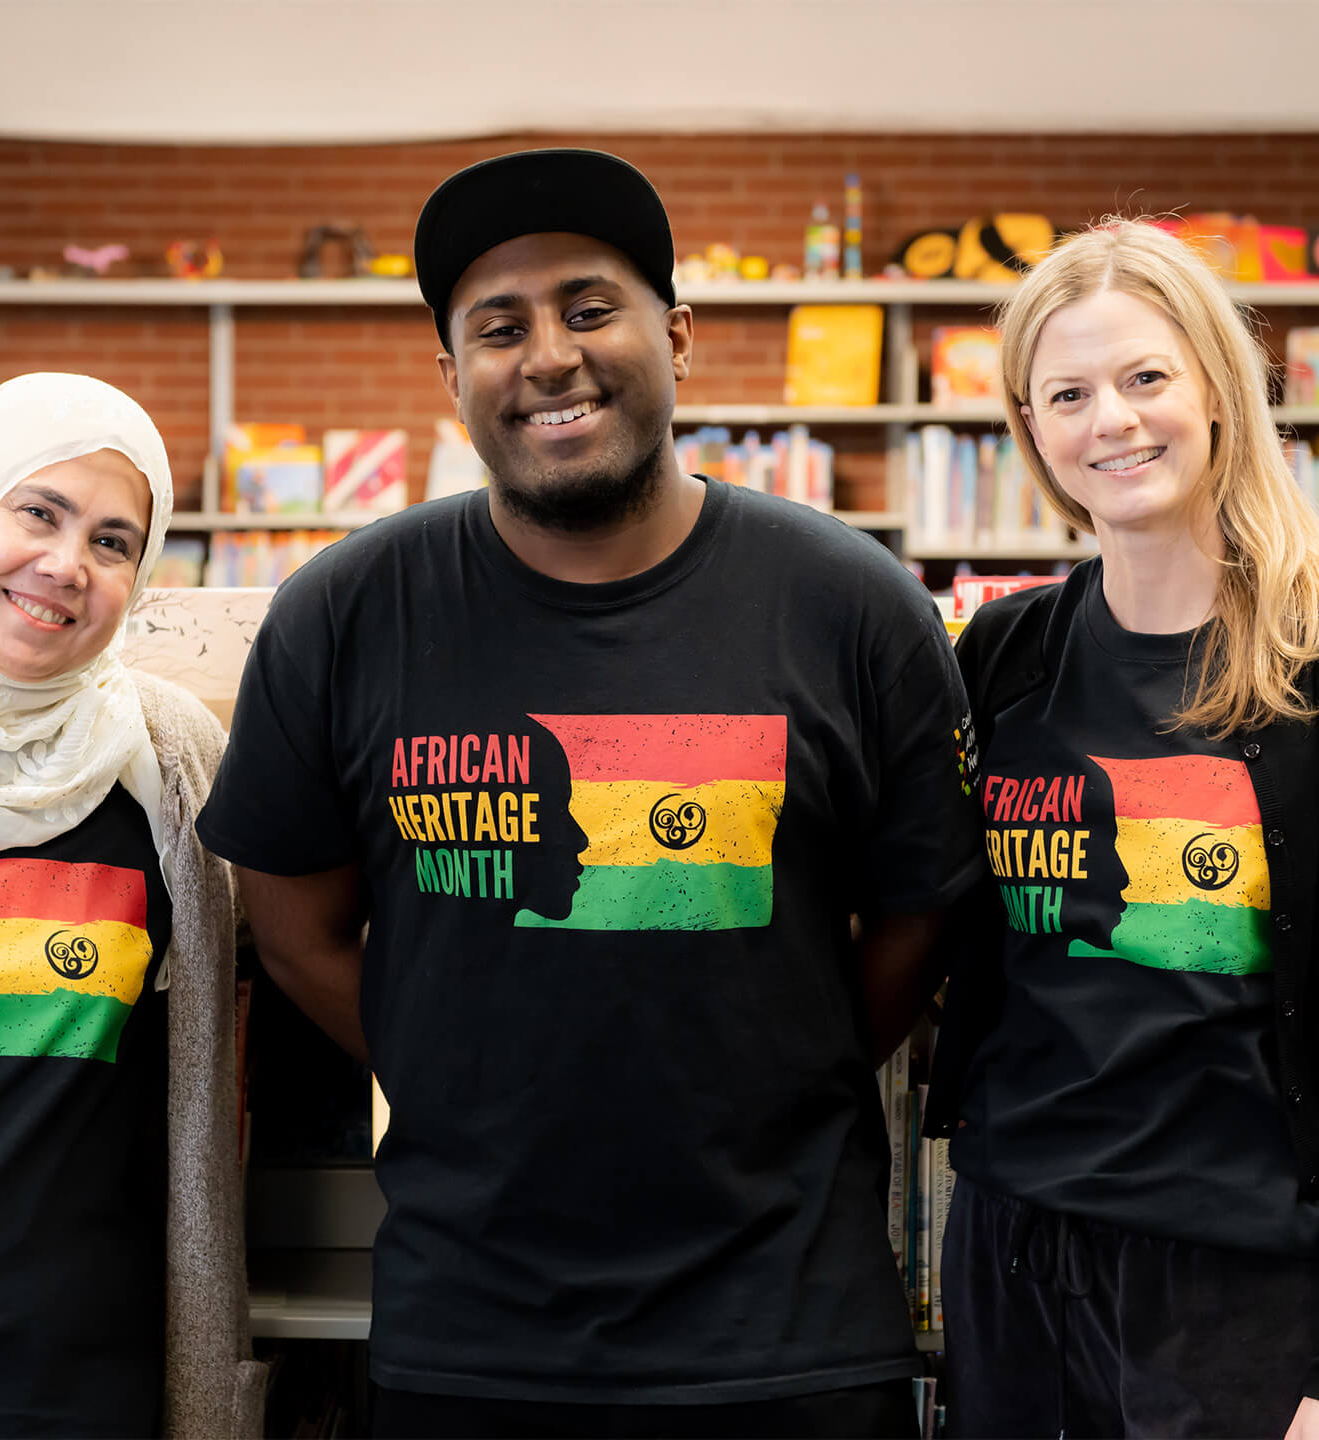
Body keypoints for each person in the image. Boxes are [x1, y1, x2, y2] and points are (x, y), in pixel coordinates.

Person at [198, 148, 982, 1439]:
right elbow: (290, 925)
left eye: (588, 307)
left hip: (790, 1337)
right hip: (472, 1338)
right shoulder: (343, 614)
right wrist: (457, 1063)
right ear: (453, 380)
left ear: (678, 336)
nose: (548, 355)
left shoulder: (855, 608)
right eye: (497, 328)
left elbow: (920, 916)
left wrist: (790, 1064)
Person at [925, 219, 1319, 1439]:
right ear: (1033, 430)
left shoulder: (1308, 660)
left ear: (1215, 385)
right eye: (1070, 393)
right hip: (1010, 1247)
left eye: (1146, 376)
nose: (1115, 420)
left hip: (1235, 1273)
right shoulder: (1004, 653)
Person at [0, 373, 261, 1438]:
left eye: (113, 541)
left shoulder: (167, 762)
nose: (66, 565)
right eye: (37, 511)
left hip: (77, 1379)